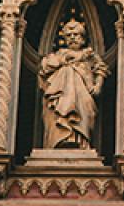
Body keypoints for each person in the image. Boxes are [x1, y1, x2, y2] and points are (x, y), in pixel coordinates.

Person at [39, 17, 106, 150]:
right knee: (58, 114)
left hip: (82, 94)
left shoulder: (90, 56)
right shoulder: (59, 55)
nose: (73, 38)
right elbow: (45, 68)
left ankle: (79, 141)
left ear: (82, 38)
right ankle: (60, 139)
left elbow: (101, 69)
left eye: (76, 35)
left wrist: (97, 85)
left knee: (83, 112)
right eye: (69, 35)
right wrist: (63, 61)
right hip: (61, 94)